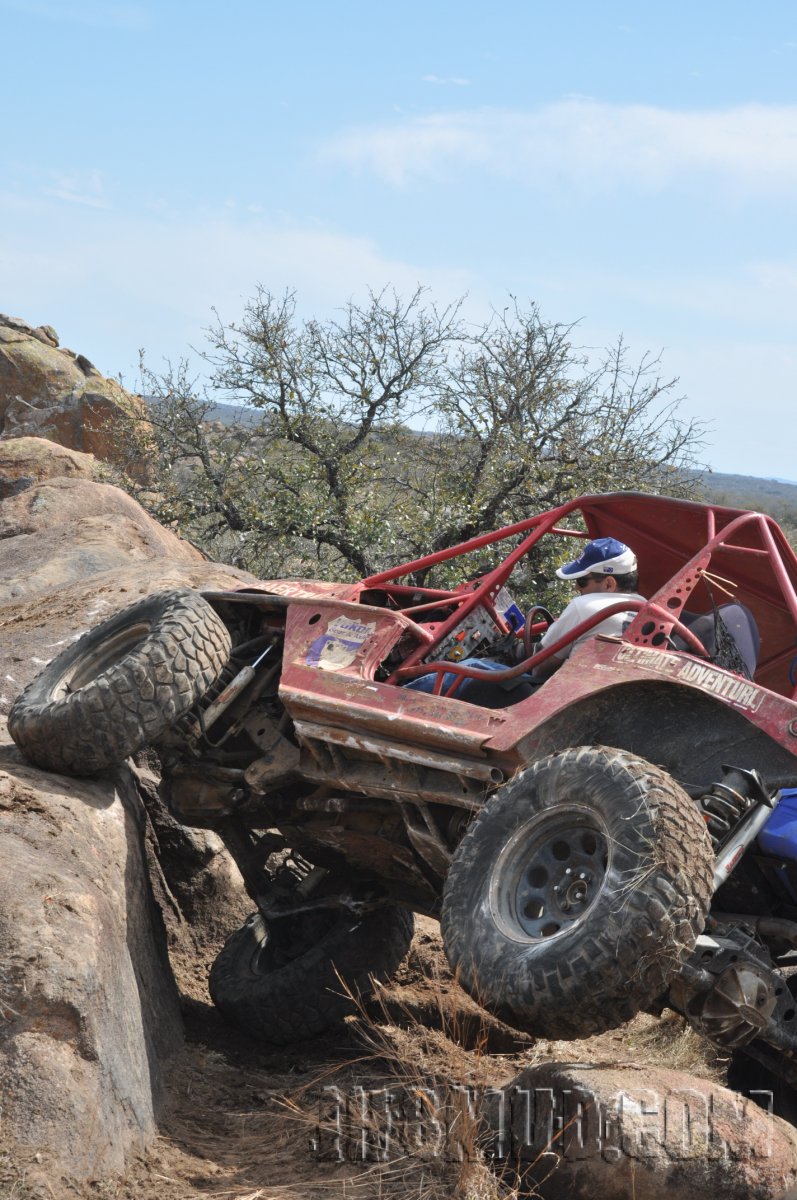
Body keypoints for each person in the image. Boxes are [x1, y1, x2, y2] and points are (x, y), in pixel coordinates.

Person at [531, 536, 643, 679]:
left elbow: (539, 668)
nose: (577, 587)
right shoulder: (650, 612)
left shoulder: (584, 606)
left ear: (609, 584)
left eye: (582, 581)